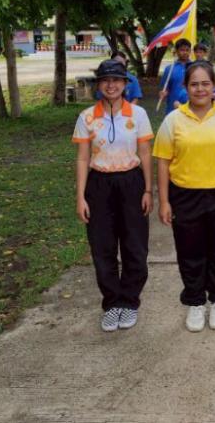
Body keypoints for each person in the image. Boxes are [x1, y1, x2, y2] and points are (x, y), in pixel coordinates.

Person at [154, 61, 215, 332]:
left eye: (205, 83)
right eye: (194, 84)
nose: (200, 89)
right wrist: (164, 201)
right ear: (185, 87)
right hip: (185, 195)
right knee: (190, 251)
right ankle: (195, 301)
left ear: (214, 86)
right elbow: (163, 162)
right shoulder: (173, 120)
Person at [73, 59, 154, 332]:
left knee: (135, 245)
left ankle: (129, 301)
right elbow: (82, 158)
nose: (111, 85)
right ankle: (112, 303)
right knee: (102, 246)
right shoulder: (86, 117)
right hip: (99, 185)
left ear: (124, 84)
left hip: (131, 182)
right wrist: (80, 197)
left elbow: (145, 153)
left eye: (116, 80)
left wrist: (148, 189)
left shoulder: (138, 115)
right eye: (106, 80)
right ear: (99, 84)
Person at [159, 39, 192, 113]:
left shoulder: (195, 67)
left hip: (191, 107)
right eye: (182, 50)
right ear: (176, 51)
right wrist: (163, 93)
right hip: (173, 108)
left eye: (187, 50)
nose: (185, 52)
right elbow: (165, 89)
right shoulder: (169, 69)